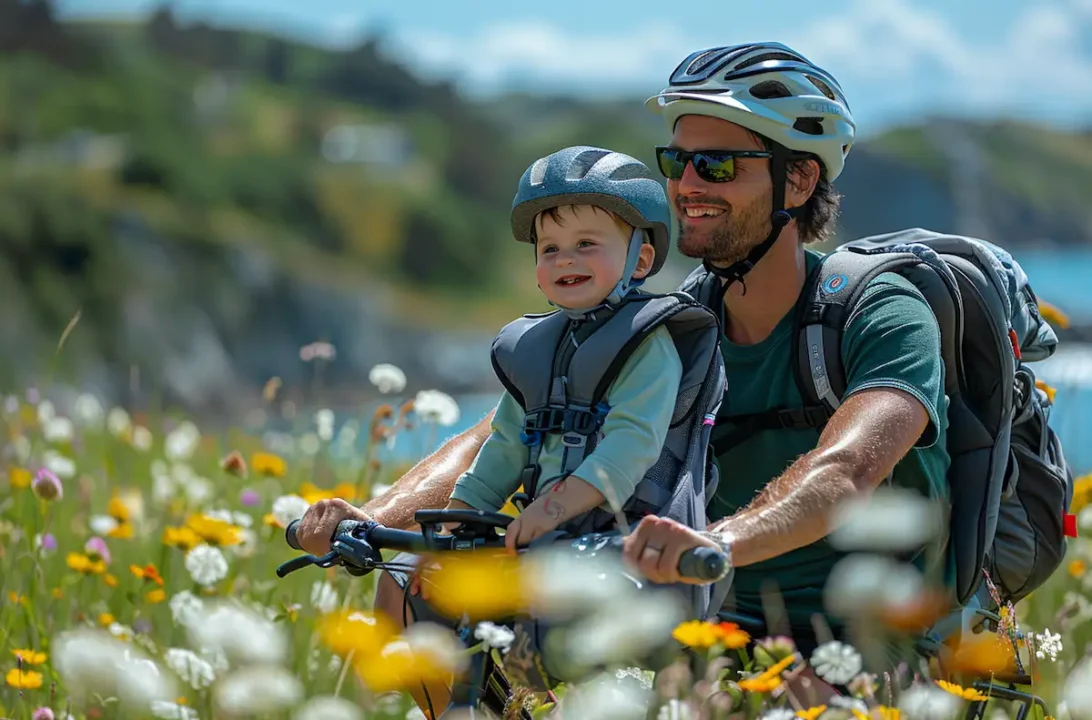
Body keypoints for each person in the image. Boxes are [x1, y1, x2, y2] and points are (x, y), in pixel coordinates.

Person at [294, 41, 950, 702]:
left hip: (865, 639)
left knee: (782, 705)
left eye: (717, 164)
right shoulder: (671, 323)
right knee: (415, 589)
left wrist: (714, 541)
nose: (687, 185)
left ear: (800, 180)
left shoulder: (881, 313)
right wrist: (369, 518)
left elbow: (845, 471)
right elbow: (507, 427)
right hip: (696, 625)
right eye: (678, 161)